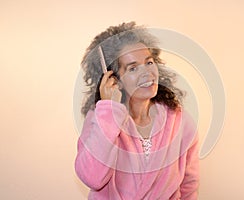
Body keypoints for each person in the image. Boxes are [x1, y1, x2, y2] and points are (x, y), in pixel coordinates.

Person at [75, 21, 200, 199]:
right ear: (114, 79)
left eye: (149, 62)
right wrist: (109, 112)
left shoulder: (180, 121)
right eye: (133, 68)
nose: (147, 73)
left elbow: (189, 185)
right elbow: (92, 178)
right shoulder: (100, 119)